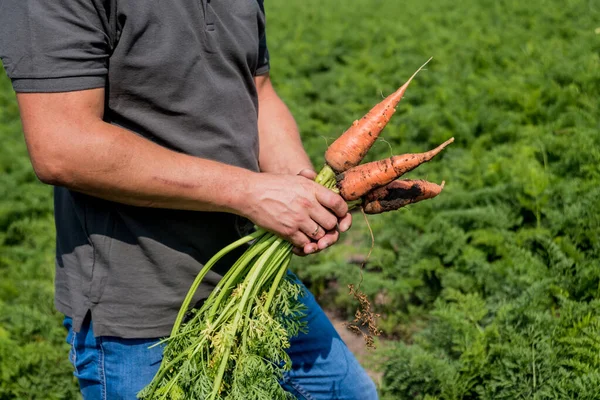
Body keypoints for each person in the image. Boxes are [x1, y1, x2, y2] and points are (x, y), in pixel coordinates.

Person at [0, 0, 378, 398]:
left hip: (255, 277)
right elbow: (62, 146)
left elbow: (258, 91)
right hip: (141, 310)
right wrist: (249, 192)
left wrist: (299, 184)